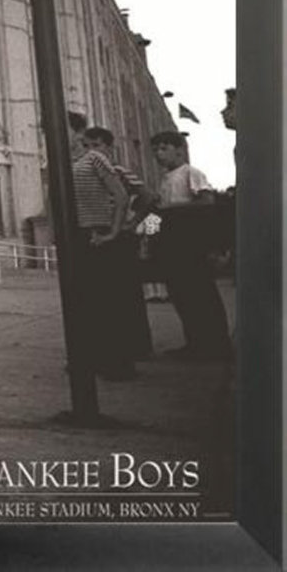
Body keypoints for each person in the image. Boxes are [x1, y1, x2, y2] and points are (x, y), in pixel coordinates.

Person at [150, 130, 232, 362]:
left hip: (190, 244)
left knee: (201, 295)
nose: (158, 154)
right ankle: (195, 343)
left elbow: (207, 201)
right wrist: (145, 233)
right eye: (155, 150)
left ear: (179, 149)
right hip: (171, 245)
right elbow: (157, 213)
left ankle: (217, 344)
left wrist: (171, 210)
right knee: (182, 296)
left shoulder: (190, 173)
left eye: (164, 148)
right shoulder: (165, 179)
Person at [81, 128, 151, 371]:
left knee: (125, 294)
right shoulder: (91, 168)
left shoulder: (118, 171)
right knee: (118, 295)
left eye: (96, 144)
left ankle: (135, 348)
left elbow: (150, 199)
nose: (91, 150)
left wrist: (133, 225)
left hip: (120, 236)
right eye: (87, 145)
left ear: (109, 147)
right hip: (109, 233)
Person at [69, 117, 134, 380]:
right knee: (87, 301)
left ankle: (116, 362)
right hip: (82, 234)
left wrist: (114, 231)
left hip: (99, 232)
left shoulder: (95, 158)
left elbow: (121, 196)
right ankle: (94, 357)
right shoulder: (70, 163)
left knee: (107, 301)